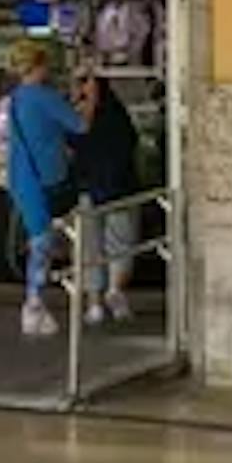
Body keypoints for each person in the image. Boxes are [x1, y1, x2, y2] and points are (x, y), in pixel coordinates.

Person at [5, 41, 83, 338]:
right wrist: (87, 100)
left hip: (21, 177)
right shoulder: (46, 97)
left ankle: (35, 302)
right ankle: (33, 304)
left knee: (41, 239)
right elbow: (80, 126)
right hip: (43, 179)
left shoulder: (16, 99)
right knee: (42, 242)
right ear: (39, 66)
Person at [71, 70, 142, 325]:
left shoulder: (82, 114)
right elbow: (133, 141)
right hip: (120, 188)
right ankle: (115, 291)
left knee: (91, 248)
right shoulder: (118, 114)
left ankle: (94, 304)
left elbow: (74, 140)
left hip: (91, 189)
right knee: (120, 244)